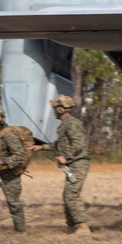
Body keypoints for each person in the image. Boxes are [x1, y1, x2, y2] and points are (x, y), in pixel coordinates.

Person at [28, 95, 91, 235]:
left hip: (79, 163)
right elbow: (59, 144)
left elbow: (78, 144)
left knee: (71, 194)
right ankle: (72, 226)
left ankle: (82, 226)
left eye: (55, 108)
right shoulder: (64, 125)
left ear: (61, 109)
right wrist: (41, 147)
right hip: (72, 164)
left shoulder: (72, 124)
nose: (53, 111)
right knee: (67, 194)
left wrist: (66, 156)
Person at [0, 107, 28, 235]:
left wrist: (0, 163)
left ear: (1, 122)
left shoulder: (9, 135)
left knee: (13, 202)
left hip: (9, 174)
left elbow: (19, 155)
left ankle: (20, 230)